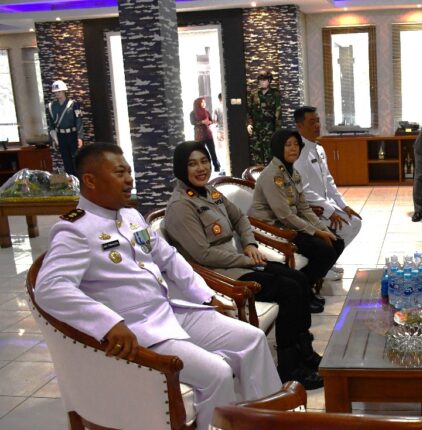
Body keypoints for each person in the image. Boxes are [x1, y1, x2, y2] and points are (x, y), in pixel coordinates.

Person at [33, 143, 281, 430]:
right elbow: (50, 288)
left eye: (129, 171)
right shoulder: (74, 230)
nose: (129, 179)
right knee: (217, 373)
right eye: (119, 173)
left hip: (169, 311)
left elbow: (169, 258)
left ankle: (267, 421)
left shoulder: (130, 216)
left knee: (252, 339)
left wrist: (206, 296)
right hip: (138, 330)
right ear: (90, 180)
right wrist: (107, 323)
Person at [163, 141, 324, 390]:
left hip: (240, 263)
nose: (201, 168)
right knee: (289, 290)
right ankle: (289, 367)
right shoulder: (180, 207)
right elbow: (204, 255)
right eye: (192, 164)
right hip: (220, 276)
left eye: (204, 161)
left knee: (299, 280)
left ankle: (304, 351)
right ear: (180, 168)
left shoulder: (209, 192)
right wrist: (246, 259)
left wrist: (249, 243)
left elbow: (239, 217)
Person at [251, 129, 345, 306]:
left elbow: (303, 208)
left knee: (337, 242)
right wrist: (316, 233)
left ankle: (305, 287)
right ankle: (303, 293)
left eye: (296, 144)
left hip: (289, 225)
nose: (293, 149)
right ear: (278, 147)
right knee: (325, 250)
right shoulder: (273, 175)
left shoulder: (292, 173)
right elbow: (284, 215)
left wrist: (322, 229)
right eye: (288, 145)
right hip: (272, 229)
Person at [293, 106, 362, 278]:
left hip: (325, 205)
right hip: (312, 209)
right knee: (345, 228)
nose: (317, 125)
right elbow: (304, 190)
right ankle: (323, 266)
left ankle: (329, 261)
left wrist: (343, 206)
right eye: (312, 122)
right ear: (299, 126)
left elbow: (328, 180)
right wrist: (330, 211)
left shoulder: (318, 148)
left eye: (318, 121)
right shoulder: (298, 153)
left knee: (355, 222)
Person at [46, 80, 83, 175]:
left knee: (76, 158)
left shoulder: (73, 104)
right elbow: (51, 124)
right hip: (61, 136)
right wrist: (53, 139)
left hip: (72, 135)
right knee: (66, 160)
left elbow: (78, 121)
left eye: (59, 91)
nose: (57, 93)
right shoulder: (51, 106)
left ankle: (78, 179)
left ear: (64, 91)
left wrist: (79, 137)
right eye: (55, 92)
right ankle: (70, 179)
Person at [248, 70, 282, 164]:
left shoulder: (275, 94)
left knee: (271, 155)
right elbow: (249, 111)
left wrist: (277, 131)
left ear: (269, 81)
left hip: (270, 129)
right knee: (257, 156)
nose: (263, 82)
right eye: (261, 80)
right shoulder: (254, 94)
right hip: (256, 130)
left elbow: (278, 113)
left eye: (265, 80)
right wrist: (249, 124)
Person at [190, 97, 221, 172]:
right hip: (199, 136)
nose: (204, 103)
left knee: (212, 151)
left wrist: (210, 122)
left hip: (208, 134)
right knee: (201, 153)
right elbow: (192, 122)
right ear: (198, 103)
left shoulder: (206, 111)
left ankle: (216, 166)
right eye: (202, 102)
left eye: (204, 102)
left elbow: (210, 121)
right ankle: (205, 167)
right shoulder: (193, 113)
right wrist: (202, 122)